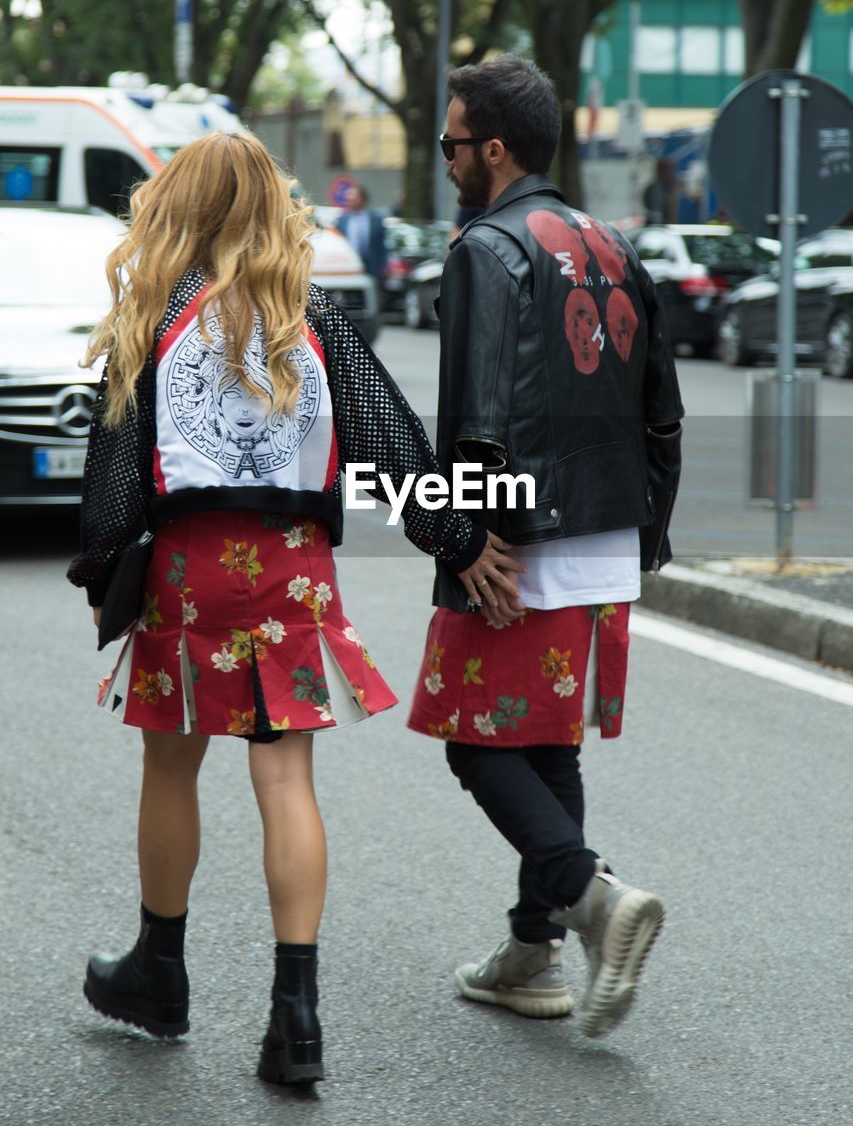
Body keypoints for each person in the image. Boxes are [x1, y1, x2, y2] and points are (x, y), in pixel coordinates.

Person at [67, 132, 521, 1083]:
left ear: (176, 211)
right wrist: (464, 542)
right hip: (293, 573)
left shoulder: (153, 317)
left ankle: (159, 968)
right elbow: (395, 453)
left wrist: (102, 571)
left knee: (171, 769)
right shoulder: (309, 317)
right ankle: (296, 1020)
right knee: (286, 782)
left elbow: (112, 489)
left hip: (189, 574)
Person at [407, 55, 684, 1039]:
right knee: (545, 739)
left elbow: (476, 414)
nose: (443, 161)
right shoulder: (613, 241)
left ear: (492, 145)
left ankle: (592, 896)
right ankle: (532, 951)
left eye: (449, 144)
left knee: (475, 742)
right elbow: (663, 409)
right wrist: (646, 528)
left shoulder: (488, 244)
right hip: (604, 534)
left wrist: (463, 537)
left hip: (516, 534)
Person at [335, 181, 388, 283]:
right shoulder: (342, 220)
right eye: (348, 196)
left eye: (352, 195)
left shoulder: (376, 219)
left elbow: (382, 246)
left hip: (372, 268)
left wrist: (384, 266)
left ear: (362, 198)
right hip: (348, 268)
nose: (349, 199)